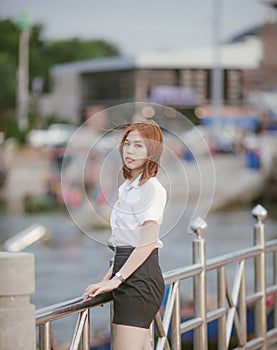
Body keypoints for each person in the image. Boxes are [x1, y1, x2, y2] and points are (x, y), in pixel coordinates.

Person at [83, 120, 167, 350]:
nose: (129, 151)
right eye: (127, 144)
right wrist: (107, 280)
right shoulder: (130, 187)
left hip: (140, 280)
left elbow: (147, 243)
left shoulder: (151, 189)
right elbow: (125, 244)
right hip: (128, 276)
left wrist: (116, 280)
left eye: (139, 145)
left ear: (153, 150)